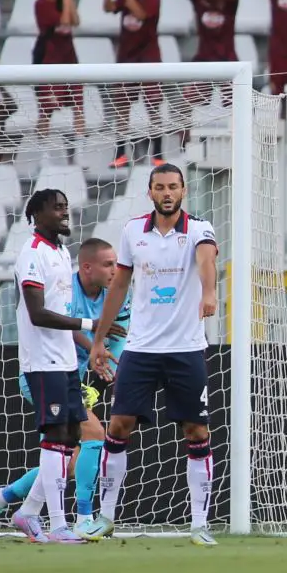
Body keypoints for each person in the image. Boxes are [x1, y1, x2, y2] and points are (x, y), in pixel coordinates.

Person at [82, 164, 220, 547]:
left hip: (186, 348)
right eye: (160, 187)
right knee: (119, 427)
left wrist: (209, 293)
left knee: (196, 431)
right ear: (151, 192)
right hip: (141, 348)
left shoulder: (199, 228)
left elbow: (207, 260)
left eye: (173, 187)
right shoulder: (132, 232)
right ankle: (106, 517)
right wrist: (99, 339)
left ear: (183, 191)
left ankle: (198, 524)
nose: (167, 193)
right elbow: (120, 284)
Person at [0, 239, 131, 539]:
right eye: (108, 264)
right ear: (87, 267)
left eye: (116, 263)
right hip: (46, 372)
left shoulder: (119, 294)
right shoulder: (66, 288)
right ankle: (83, 517)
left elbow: (121, 335)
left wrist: (116, 369)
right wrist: (95, 348)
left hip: (76, 377)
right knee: (94, 434)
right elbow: (65, 327)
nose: (116, 270)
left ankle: (3, 498)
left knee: (69, 461)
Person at [3, 190, 90, 544]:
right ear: (37, 214)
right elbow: (38, 314)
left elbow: (62, 311)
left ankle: (27, 513)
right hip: (42, 360)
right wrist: (89, 325)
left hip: (65, 359)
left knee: (70, 437)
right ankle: (58, 526)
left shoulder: (60, 251)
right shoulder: (32, 254)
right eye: (57, 208)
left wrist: (90, 343)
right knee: (55, 437)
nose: (64, 213)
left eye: (66, 207)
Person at [103, 0, 162, 168]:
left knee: (153, 106)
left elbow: (141, 14)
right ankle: (120, 154)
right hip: (126, 58)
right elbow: (108, 7)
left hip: (148, 58)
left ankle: (158, 154)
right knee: (122, 106)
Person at [175, 0, 238, 114]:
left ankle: (238, 137)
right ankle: (185, 137)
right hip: (204, 58)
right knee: (187, 103)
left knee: (235, 106)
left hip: (226, 59)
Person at [35, 0, 83, 141]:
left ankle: (80, 146)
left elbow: (75, 21)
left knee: (78, 106)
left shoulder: (63, 0)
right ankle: (43, 146)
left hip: (69, 57)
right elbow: (63, 23)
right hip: (51, 58)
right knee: (46, 108)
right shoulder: (42, 4)